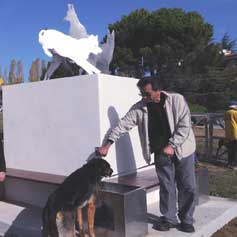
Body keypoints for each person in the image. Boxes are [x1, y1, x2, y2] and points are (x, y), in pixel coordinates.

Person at [98, 77, 196, 233]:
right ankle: (169, 218)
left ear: (158, 90)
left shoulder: (176, 100)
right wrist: (107, 145)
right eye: (142, 94)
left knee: (188, 186)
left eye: (148, 94)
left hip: (183, 150)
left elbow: (185, 125)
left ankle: (187, 219)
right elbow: (123, 125)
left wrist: (171, 145)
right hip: (160, 153)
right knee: (166, 187)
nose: (144, 97)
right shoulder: (140, 108)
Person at [224, 100, 237, 169]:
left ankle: (229, 163)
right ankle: (235, 164)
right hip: (235, 134)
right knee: (235, 150)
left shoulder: (226, 113)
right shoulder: (235, 112)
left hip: (228, 135)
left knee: (230, 150)